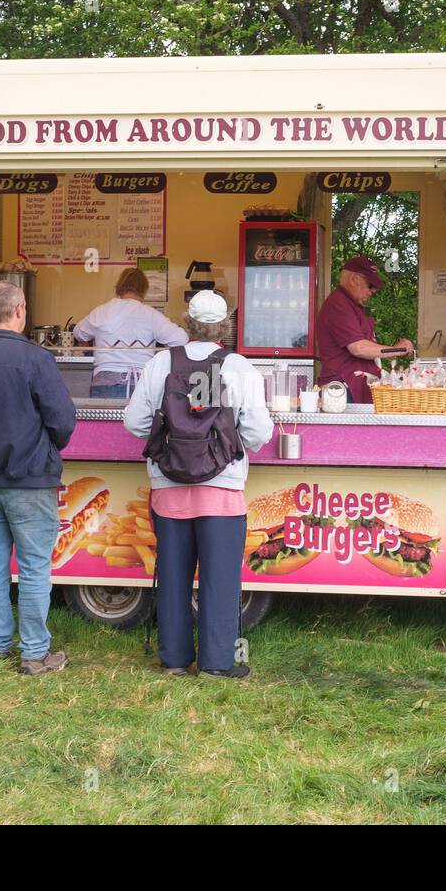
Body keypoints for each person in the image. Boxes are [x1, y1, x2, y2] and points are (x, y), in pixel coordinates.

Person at [123, 290, 274, 679]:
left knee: (172, 574)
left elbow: (135, 422)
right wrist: (232, 444)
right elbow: (257, 432)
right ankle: (217, 663)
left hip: (169, 486)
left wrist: (166, 445)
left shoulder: (161, 363)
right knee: (219, 578)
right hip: (222, 488)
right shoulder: (239, 367)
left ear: (186, 323)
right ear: (225, 326)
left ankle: (173, 659)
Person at [0, 280, 77, 674]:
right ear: (20, 309)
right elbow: (63, 422)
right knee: (35, 565)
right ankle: (35, 653)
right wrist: (48, 448)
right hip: (29, 479)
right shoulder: (37, 360)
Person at [73, 267, 188, 398]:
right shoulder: (150, 314)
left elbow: (78, 333)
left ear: (119, 287)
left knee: (104, 419)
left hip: (103, 382)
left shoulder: (101, 311)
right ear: (144, 290)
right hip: (141, 383)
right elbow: (181, 340)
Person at [315, 256, 414, 404]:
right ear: (354, 279)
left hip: (354, 389)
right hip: (342, 392)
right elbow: (359, 348)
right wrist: (398, 350)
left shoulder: (352, 305)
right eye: (370, 285)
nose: (372, 291)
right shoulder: (338, 305)